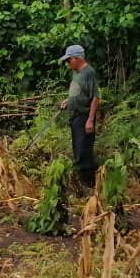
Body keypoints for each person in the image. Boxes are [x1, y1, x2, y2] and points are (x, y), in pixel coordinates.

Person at [58, 44, 100, 187]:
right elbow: (79, 92)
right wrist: (68, 101)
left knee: (84, 151)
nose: (68, 63)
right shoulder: (76, 72)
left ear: (77, 58)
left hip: (84, 116)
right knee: (77, 148)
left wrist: (90, 120)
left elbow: (95, 97)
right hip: (75, 116)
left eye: (69, 60)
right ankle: (82, 183)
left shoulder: (89, 73)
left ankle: (89, 185)